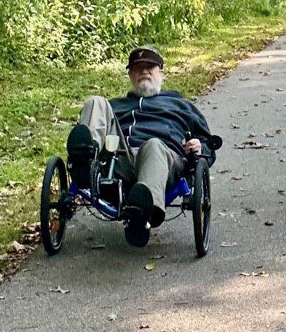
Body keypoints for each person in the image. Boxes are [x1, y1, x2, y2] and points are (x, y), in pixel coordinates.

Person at [65, 46, 217, 248]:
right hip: (118, 160)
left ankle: (142, 213)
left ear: (161, 73)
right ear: (130, 75)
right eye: (138, 68)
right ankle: (85, 161)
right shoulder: (115, 105)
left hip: (163, 159)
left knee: (153, 144)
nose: (144, 72)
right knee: (96, 102)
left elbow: (208, 146)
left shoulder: (181, 105)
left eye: (150, 67)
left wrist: (200, 147)